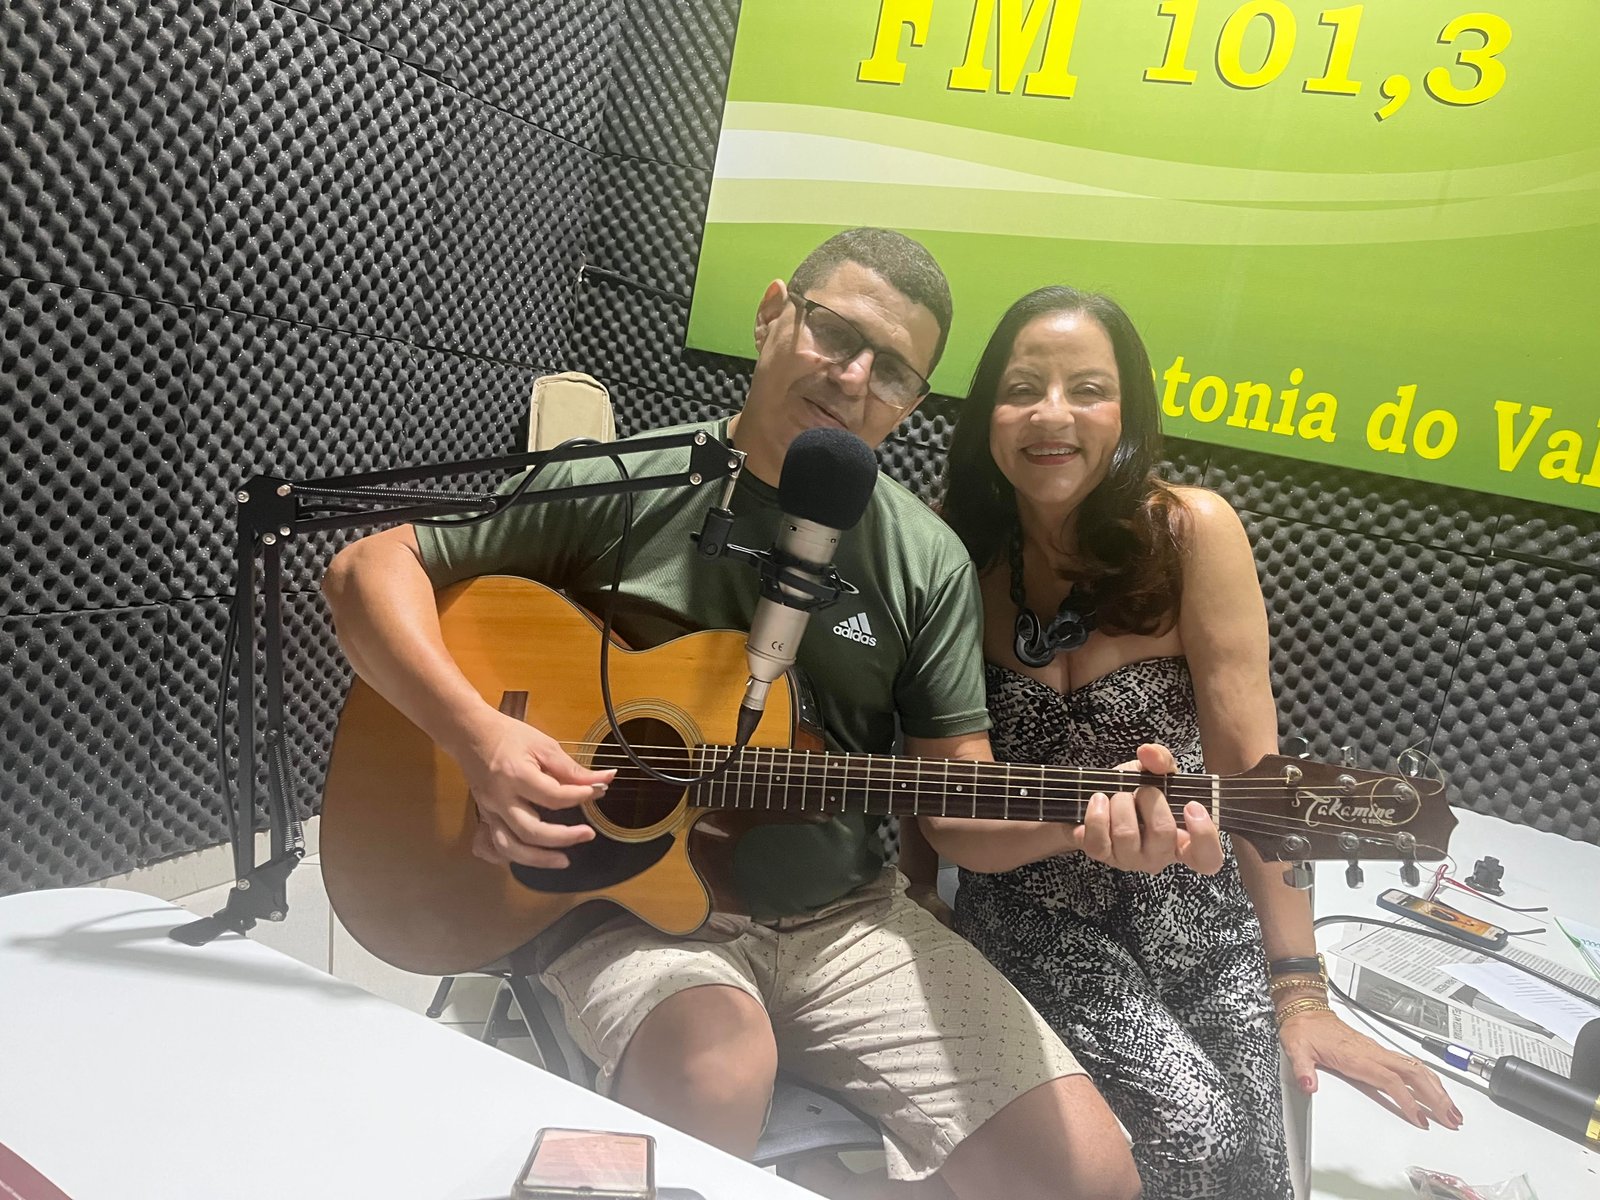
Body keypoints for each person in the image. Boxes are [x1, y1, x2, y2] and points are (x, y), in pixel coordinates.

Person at [322, 231, 1226, 1200]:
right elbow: (368, 569)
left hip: (850, 922)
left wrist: (1079, 822)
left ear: (912, 404)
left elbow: (957, 807)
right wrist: (477, 734)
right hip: (626, 912)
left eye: (893, 371)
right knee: (715, 1065)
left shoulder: (926, 560)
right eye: (834, 332)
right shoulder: (627, 481)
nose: (853, 377)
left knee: (1088, 1174)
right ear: (770, 317)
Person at [930, 285, 1462, 1199]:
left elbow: (1256, 775)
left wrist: (1300, 988)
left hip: (1195, 898)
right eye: (1022, 389)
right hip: (1030, 908)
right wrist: (1039, 840)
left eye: (1087, 389)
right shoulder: (950, 552)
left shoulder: (1190, 532)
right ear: (987, 416)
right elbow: (935, 785)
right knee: (1194, 1129)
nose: (1052, 414)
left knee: (1264, 1158)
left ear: (1128, 412)